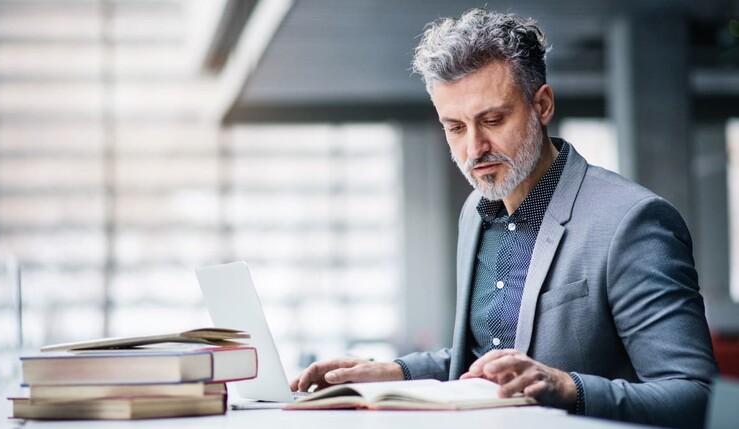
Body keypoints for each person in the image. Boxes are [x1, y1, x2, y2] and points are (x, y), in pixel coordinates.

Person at [290, 8, 718, 428]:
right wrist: (391, 372)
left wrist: (567, 387)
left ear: (542, 104)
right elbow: (481, 359)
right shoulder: (474, 214)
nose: (474, 148)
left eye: (492, 120)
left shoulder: (632, 221)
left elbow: (693, 396)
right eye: (454, 127)